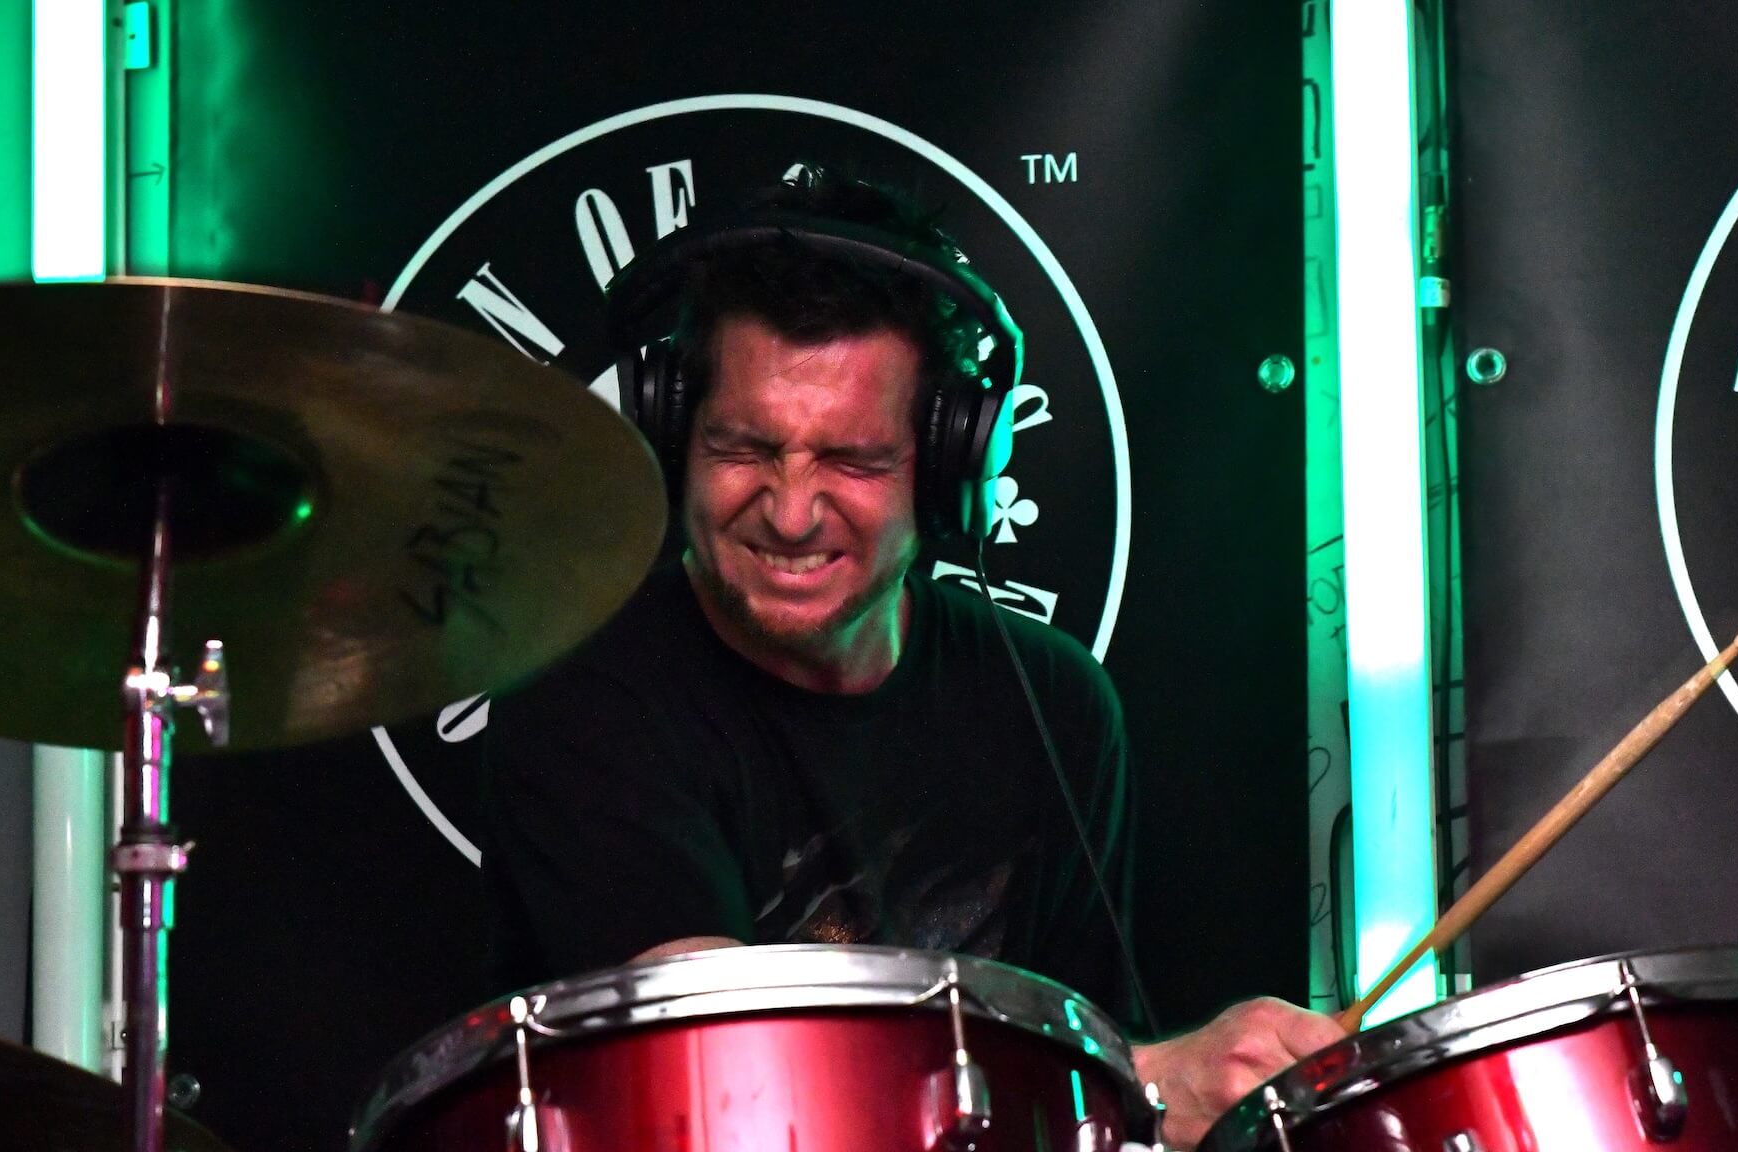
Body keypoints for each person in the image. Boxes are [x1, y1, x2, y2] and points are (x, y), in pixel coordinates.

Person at [477, 167, 1342, 1146]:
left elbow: (1073, 1090)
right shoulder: (584, 692)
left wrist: (1175, 1094)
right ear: (672, 438)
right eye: (743, 450)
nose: (790, 513)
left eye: (852, 461)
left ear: (946, 468)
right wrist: (1147, 1084)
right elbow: (729, 1093)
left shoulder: (1052, 704)